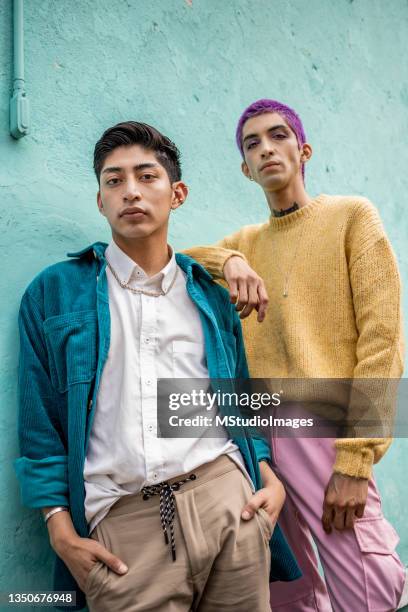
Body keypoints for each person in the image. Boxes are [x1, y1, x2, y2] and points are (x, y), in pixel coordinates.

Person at [14, 120, 301, 612]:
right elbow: (40, 425)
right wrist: (58, 528)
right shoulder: (55, 293)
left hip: (228, 500)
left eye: (147, 177)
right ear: (100, 200)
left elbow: (237, 396)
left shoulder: (208, 295)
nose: (130, 192)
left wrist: (266, 475)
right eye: (113, 180)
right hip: (125, 530)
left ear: (177, 193)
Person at [184, 99, 407, 611]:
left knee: (366, 582)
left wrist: (355, 460)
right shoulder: (247, 240)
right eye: (252, 143)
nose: (266, 149)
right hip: (258, 436)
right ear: (245, 168)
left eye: (278, 135)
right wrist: (231, 259)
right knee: (288, 588)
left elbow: (383, 343)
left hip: (325, 428)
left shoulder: (353, 217)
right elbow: (179, 261)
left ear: (303, 149)